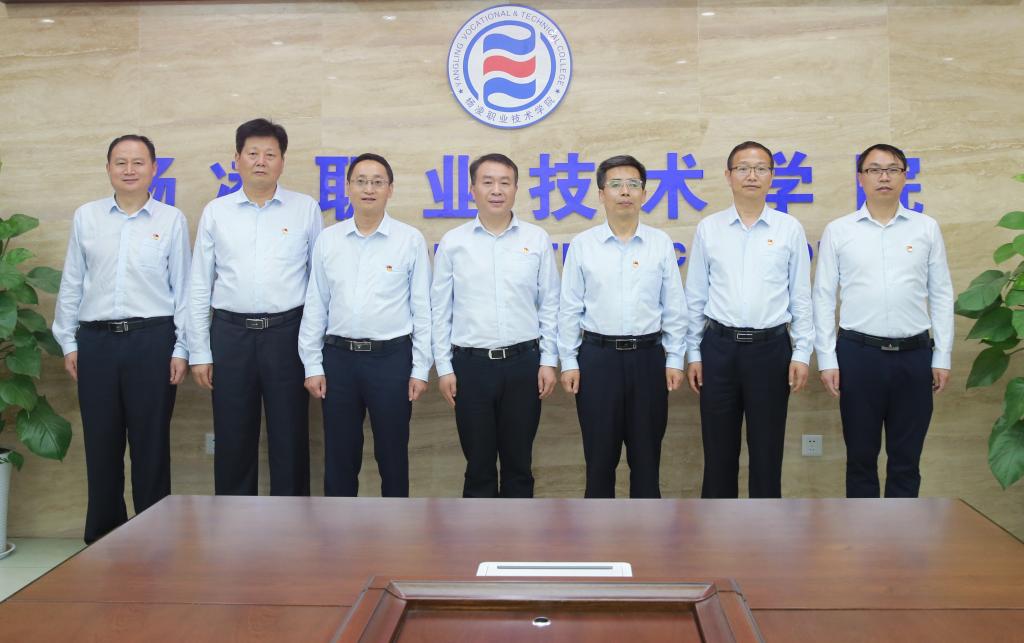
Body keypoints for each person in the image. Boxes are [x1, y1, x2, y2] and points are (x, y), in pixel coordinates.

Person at [53, 134, 190, 543]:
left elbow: (183, 289)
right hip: (96, 343)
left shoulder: (171, 220)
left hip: (152, 341)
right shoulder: (87, 217)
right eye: (120, 162)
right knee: (101, 444)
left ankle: (154, 538)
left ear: (154, 168)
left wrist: (182, 347)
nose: (129, 170)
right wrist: (69, 341)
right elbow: (72, 281)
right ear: (108, 168)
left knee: (151, 445)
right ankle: (104, 540)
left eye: (138, 162)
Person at [188, 118, 322, 496]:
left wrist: (312, 350)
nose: (261, 161)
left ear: (282, 161)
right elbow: (199, 284)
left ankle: (292, 522)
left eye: (270, 154)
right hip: (230, 335)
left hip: (287, 334)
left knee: (290, 437)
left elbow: (318, 284)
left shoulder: (305, 209)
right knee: (232, 438)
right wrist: (199, 351)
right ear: (237, 159)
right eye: (252, 153)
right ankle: (233, 525)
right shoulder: (217, 211)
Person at [813, 143, 953, 498]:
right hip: (859, 355)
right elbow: (824, 297)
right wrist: (827, 359)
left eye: (892, 169)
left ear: (905, 176)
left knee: (907, 460)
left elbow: (940, 293)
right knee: (860, 458)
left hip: (914, 355)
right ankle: (862, 533)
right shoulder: (840, 230)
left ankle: (902, 533)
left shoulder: (926, 228)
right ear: (860, 178)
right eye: (874, 169)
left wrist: (942, 356)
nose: (884, 177)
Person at [685, 141, 813, 499]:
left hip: (771, 350)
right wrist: (693, 353)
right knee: (718, 452)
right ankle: (717, 527)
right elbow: (695, 296)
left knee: (767, 452)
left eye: (760, 168)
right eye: (743, 168)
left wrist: (802, 352)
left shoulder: (788, 229)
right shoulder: (709, 229)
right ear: (728, 176)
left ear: (772, 176)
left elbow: (801, 296)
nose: (751, 175)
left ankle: (765, 530)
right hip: (718, 349)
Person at [298, 153, 431, 497]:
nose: (368, 189)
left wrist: (420, 369)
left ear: (390, 189)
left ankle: (397, 525)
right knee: (340, 457)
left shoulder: (409, 240)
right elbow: (316, 304)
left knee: (392, 454)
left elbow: (422, 309)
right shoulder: (329, 240)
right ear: (347, 188)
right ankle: (339, 527)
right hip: (339, 360)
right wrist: (312, 364)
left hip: (391, 360)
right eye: (361, 181)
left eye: (377, 182)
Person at [558, 155, 687, 498]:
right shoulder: (584, 245)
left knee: (647, 460)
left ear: (644, 193)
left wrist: (675, 358)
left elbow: (674, 306)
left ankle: (647, 531)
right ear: (601, 194)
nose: (625, 192)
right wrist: (568, 361)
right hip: (597, 360)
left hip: (648, 359)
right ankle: (598, 531)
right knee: (599, 461)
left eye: (633, 184)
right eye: (615, 185)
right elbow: (569, 308)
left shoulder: (660, 243)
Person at [431, 153, 559, 498]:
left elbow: (550, 304)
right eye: (487, 182)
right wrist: (444, 367)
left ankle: (519, 532)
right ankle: (478, 532)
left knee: (519, 465)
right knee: (479, 467)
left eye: (505, 182)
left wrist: (549, 361)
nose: (496, 190)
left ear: (516, 189)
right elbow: (440, 310)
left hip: (524, 365)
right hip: (471, 367)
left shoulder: (536, 238)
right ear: (472, 189)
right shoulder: (454, 242)